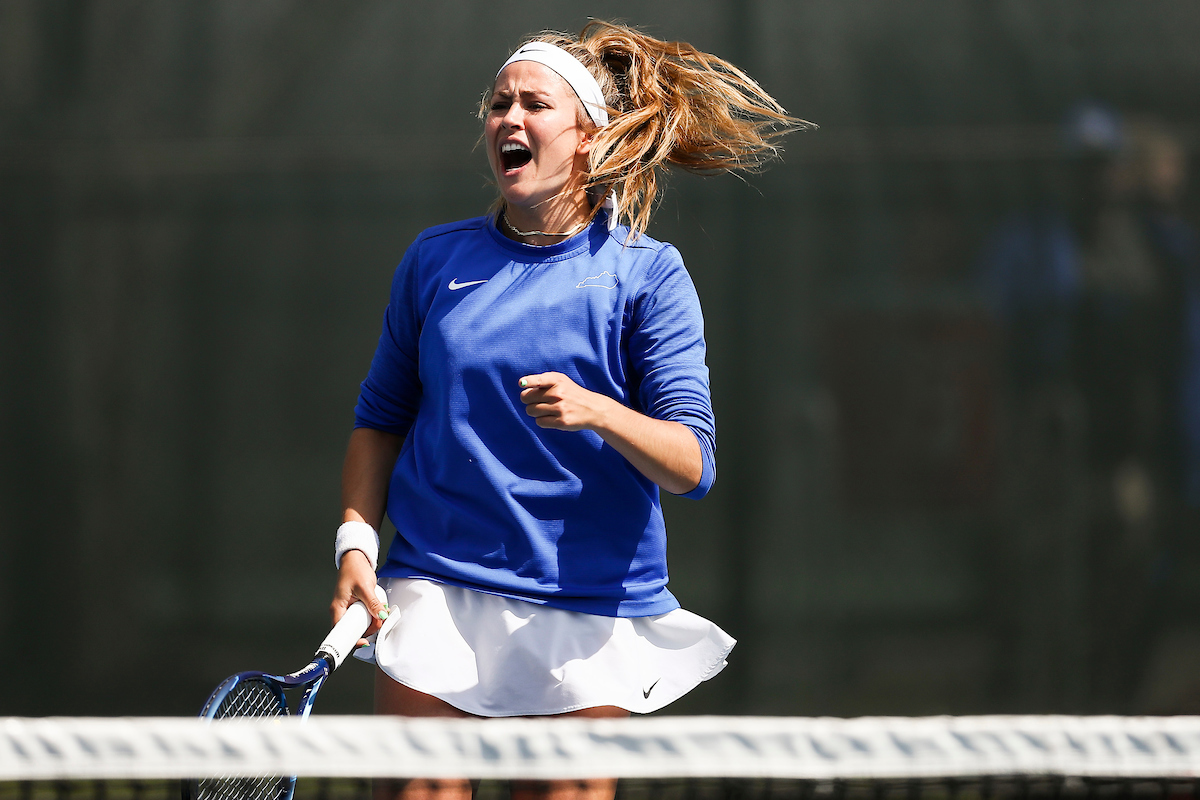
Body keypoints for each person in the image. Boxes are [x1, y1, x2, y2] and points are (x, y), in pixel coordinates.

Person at [329, 20, 806, 799]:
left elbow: (691, 465)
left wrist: (601, 413)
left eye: (534, 105)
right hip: (437, 583)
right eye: (498, 104)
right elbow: (380, 420)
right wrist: (355, 546)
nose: (508, 119)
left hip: (586, 599)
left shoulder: (647, 276)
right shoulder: (434, 260)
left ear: (588, 137)